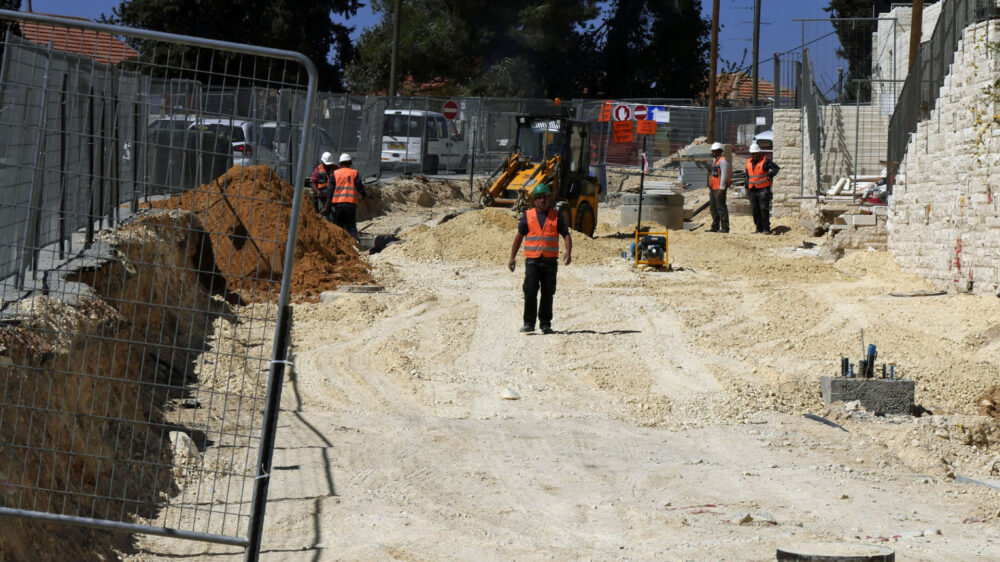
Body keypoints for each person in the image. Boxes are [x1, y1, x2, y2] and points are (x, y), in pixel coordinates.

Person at [508, 183, 572, 334]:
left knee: (548, 292)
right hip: (533, 261)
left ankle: (545, 324)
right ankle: (529, 323)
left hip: (550, 261)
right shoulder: (528, 216)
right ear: (534, 201)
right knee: (530, 290)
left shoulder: (556, 216)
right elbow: (519, 237)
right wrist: (512, 258)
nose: (543, 200)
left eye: (545, 197)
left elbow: (566, 234)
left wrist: (568, 253)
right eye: (539, 198)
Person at [322, 153, 367, 240]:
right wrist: (364, 196)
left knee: (339, 226)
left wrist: (326, 207)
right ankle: (355, 244)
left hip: (338, 204)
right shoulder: (354, 173)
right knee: (351, 226)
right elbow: (360, 187)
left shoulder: (335, 173)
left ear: (340, 163)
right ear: (350, 162)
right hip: (351, 204)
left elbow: (331, 191)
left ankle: (340, 244)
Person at [745, 142, 781, 234]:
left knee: (763, 209)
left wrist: (770, 175)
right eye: (753, 154)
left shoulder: (765, 161)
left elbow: (776, 168)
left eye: (756, 154)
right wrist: (746, 188)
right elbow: (747, 176)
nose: (754, 155)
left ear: (759, 153)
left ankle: (766, 228)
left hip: (763, 189)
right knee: (755, 209)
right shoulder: (748, 163)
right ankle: (758, 228)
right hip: (752, 189)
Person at [708, 141, 730, 233]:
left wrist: (722, 188)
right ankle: (715, 227)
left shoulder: (723, 161)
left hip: (719, 189)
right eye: (712, 151)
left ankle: (725, 227)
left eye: (714, 151)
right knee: (713, 208)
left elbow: (724, 175)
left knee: (721, 208)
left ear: (719, 151)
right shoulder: (715, 161)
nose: (712, 152)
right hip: (713, 188)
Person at [309, 152, 338, 218]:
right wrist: (317, 191)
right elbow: (312, 182)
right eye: (326, 164)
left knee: (333, 215)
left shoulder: (336, 168)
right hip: (322, 197)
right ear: (322, 161)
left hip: (333, 197)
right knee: (323, 215)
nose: (328, 166)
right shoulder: (318, 169)